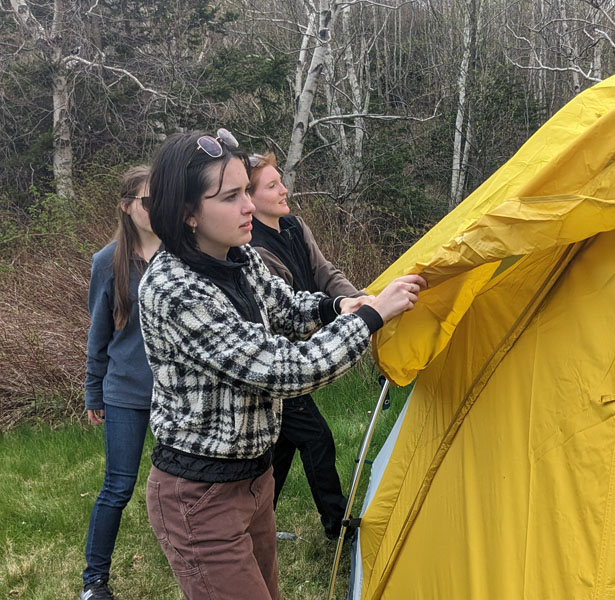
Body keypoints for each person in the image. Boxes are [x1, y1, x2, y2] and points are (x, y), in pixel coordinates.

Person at [138, 129, 424, 600]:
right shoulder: (174, 290)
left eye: (247, 192)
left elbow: (287, 307)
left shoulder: (239, 256)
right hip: (199, 496)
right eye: (230, 196)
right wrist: (371, 318)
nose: (249, 207)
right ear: (187, 213)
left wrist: (340, 308)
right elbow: (284, 370)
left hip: (254, 479)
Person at [247, 152, 363, 540]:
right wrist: (351, 323)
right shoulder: (254, 249)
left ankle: (256, 525)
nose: (284, 190)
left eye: (281, 181)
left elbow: (326, 274)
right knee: (316, 438)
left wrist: (360, 303)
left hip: (306, 347)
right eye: (272, 185)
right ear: (250, 197)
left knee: (282, 447)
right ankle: (338, 525)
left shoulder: (294, 226)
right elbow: (289, 306)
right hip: (282, 362)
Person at [80, 166, 160, 600]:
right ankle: (94, 580)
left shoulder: (182, 255)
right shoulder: (107, 262)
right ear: (128, 207)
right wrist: (94, 391)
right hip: (125, 392)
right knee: (119, 485)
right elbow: (99, 332)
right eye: (148, 201)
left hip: (175, 392)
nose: (156, 208)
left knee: (181, 485)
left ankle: (191, 552)